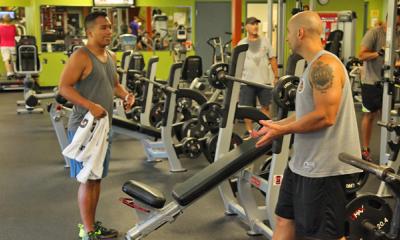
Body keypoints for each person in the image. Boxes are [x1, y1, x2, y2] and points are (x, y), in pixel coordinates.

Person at [252, 11, 362, 240]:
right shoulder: (311, 66)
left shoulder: (326, 66)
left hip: (325, 169)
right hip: (301, 164)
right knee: (284, 219)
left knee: (324, 234)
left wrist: (284, 130)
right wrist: (276, 125)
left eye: (289, 33)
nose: (286, 38)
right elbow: (307, 112)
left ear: (300, 33)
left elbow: (324, 117)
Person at [59, 11, 135, 240]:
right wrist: (90, 105)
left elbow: (114, 84)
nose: (109, 31)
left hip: (103, 128)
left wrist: (125, 95)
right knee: (87, 179)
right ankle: (88, 230)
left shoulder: (110, 55)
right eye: (103, 27)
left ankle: (91, 225)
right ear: (90, 31)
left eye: (110, 27)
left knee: (96, 178)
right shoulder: (81, 56)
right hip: (84, 128)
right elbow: (64, 87)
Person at [358, 9, 400, 161]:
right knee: (369, 115)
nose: (397, 27)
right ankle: (365, 149)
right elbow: (361, 55)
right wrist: (379, 54)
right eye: (396, 24)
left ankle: (388, 152)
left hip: (388, 82)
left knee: (387, 117)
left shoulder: (397, 34)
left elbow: (394, 59)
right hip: (371, 81)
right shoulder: (374, 33)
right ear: (390, 19)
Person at [238, 17, 279, 138]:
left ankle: (266, 130)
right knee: (247, 110)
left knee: (265, 107)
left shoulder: (265, 41)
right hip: (246, 81)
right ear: (246, 27)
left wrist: (276, 76)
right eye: (252, 24)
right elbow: (238, 64)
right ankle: (251, 133)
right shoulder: (242, 44)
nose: (255, 26)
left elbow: (272, 59)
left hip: (263, 81)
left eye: (256, 24)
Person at [0, 14, 17, 79]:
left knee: (7, 59)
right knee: (13, 59)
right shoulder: (13, 26)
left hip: (3, 45)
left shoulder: (0, 27)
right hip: (13, 45)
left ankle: (9, 73)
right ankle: (15, 72)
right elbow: (16, 35)